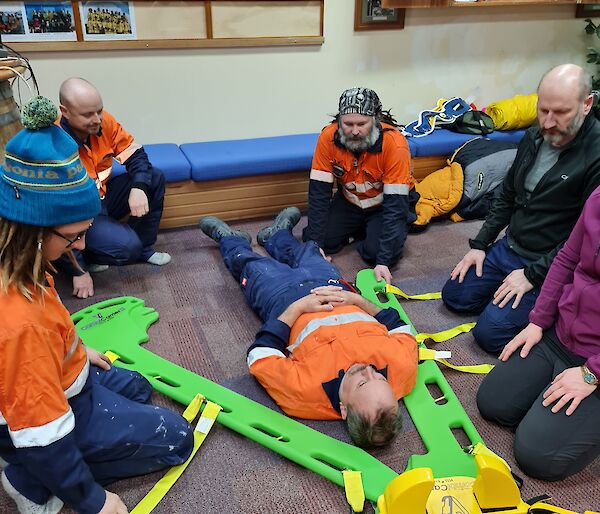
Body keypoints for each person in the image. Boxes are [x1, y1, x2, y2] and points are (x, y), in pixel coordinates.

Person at [0, 96, 193, 514]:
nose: (83, 246)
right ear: (33, 230)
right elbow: (43, 428)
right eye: (73, 237)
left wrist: (76, 350)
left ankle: (31, 452)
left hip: (60, 379)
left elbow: (48, 327)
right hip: (40, 411)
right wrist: (92, 500)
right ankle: (26, 476)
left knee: (138, 388)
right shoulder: (19, 322)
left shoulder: (25, 260)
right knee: (177, 437)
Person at [199, 207, 418, 449]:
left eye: (362, 383)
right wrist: (356, 300)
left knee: (250, 265)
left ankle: (230, 240)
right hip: (335, 287)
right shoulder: (403, 371)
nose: (367, 370)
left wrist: (298, 308)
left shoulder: (304, 396)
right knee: (309, 253)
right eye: (379, 377)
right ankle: (276, 235)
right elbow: (398, 326)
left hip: (284, 300)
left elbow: (259, 356)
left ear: (344, 410)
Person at [442, 64, 600, 353]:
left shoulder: (596, 155)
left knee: (489, 333)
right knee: (455, 296)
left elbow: (582, 242)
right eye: (543, 110)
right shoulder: (534, 135)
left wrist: (532, 275)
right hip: (511, 245)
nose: (548, 122)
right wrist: (480, 244)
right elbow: (508, 193)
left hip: (550, 263)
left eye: (561, 113)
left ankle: (551, 312)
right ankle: (506, 299)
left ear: (586, 104)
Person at [477, 184, 600, 481]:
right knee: (493, 403)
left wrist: (591, 373)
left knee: (538, 457)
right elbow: (567, 259)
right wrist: (538, 321)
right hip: (563, 336)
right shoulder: (597, 196)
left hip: (595, 362)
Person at [58, 77, 171, 300]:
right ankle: (88, 257)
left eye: (99, 111)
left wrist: (138, 187)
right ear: (65, 111)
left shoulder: (103, 121)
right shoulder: (51, 140)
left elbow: (135, 155)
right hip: (78, 212)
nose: (97, 119)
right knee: (127, 247)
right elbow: (54, 216)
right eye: (88, 114)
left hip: (103, 195)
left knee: (154, 177)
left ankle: (143, 248)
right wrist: (77, 270)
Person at [302, 87, 418, 285]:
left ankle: (376, 232)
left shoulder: (394, 144)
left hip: (386, 206)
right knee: (317, 241)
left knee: (376, 254)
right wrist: (316, 246)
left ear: (375, 120)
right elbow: (319, 195)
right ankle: (363, 229)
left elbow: (395, 207)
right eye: (348, 124)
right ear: (339, 121)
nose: (355, 131)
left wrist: (383, 262)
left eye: (362, 124)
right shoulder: (327, 138)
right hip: (350, 202)